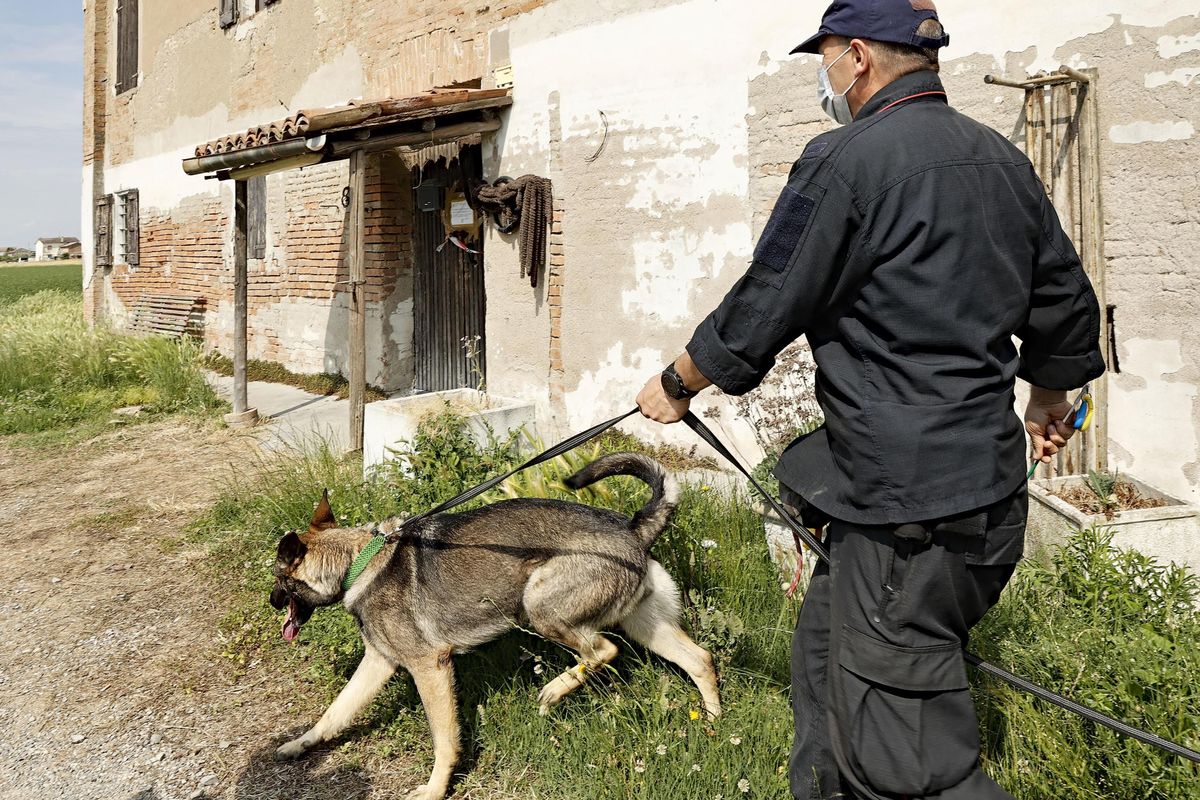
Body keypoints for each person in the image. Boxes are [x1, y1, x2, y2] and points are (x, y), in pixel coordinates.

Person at [635, 1, 1106, 798]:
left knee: (912, 762)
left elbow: (768, 300)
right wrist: (1047, 397)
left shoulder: (844, 161)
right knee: (826, 675)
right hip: (970, 502)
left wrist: (680, 382)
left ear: (857, 56)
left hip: (910, 521)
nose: (823, 75)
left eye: (823, 58)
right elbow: (1065, 301)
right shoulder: (1000, 159)